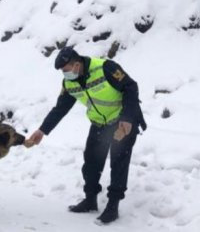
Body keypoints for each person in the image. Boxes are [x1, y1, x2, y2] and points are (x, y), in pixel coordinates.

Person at [27, 47, 146, 224]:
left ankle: (113, 206)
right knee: (91, 161)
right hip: (99, 123)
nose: (64, 74)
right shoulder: (69, 83)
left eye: (65, 70)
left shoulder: (106, 68)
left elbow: (130, 87)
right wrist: (42, 130)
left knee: (118, 161)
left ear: (76, 64)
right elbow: (60, 108)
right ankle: (90, 200)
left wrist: (128, 118)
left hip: (122, 121)